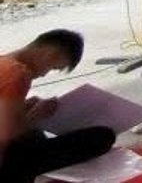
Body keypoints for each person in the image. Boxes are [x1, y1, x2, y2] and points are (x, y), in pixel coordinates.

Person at [0, 30, 113, 183]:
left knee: (35, 135)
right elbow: (4, 134)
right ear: (50, 54)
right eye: (53, 67)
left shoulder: (4, 62)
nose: (44, 74)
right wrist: (34, 117)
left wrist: (23, 108)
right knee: (102, 136)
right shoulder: (17, 73)